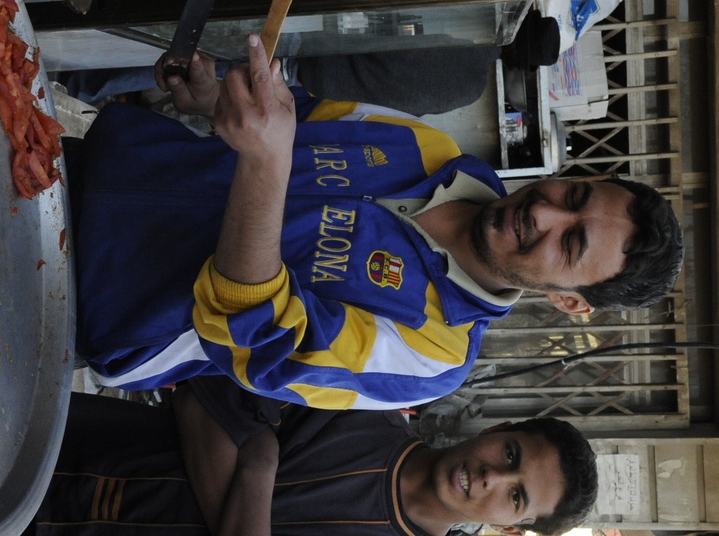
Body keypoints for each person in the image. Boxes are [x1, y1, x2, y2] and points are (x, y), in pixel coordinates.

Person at [70, 34, 684, 411]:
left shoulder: (434, 354)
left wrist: (266, 163)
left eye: (570, 241)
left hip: (86, 300)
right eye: (572, 192)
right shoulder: (429, 147)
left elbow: (259, 341)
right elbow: (299, 115)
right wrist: (213, 101)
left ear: (570, 303)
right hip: (76, 163)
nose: (544, 211)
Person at [0, 376, 598, 536]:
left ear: (511, 525)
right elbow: (206, 400)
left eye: (515, 496)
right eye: (511, 452)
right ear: (497, 430)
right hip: (67, 441)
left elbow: (242, 434)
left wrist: (260, 465)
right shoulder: (362, 410)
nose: (492, 477)